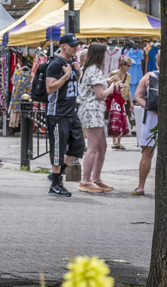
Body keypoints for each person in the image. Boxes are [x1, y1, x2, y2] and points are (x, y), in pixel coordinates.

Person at [43, 35, 83, 198]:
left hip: (71, 112)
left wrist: (77, 74)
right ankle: (55, 184)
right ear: (64, 47)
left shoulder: (70, 64)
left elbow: (71, 87)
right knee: (58, 149)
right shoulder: (55, 64)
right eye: (73, 46)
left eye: (77, 46)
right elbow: (50, 88)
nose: (76, 48)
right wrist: (66, 75)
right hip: (57, 113)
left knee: (78, 145)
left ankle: (56, 175)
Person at [76, 42, 116, 193]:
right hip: (93, 111)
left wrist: (107, 82)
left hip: (91, 110)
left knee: (101, 146)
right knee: (93, 147)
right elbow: (100, 95)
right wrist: (112, 88)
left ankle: (96, 179)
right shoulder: (95, 70)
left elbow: (92, 86)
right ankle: (86, 180)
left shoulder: (89, 69)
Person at [132, 49, 160, 195]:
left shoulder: (149, 76)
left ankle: (141, 186)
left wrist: (150, 108)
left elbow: (137, 96)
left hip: (151, 119)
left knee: (147, 154)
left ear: (157, 62)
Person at [109, 55, 132, 150]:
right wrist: (117, 85)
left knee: (122, 121)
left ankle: (119, 141)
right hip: (114, 99)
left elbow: (129, 89)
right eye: (127, 65)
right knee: (115, 119)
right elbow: (108, 86)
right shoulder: (114, 73)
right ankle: (114, 141)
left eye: (130, 65)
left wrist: (131, 102)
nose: (128, 67)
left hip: (123, 100)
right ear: (122, 64)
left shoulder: (128, 76)